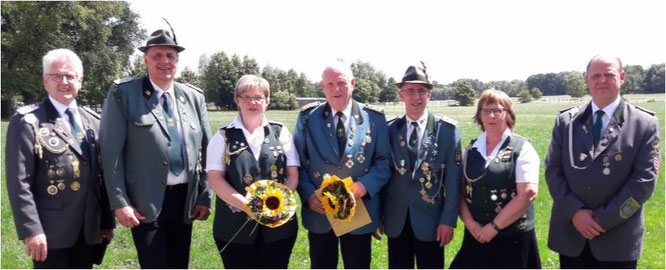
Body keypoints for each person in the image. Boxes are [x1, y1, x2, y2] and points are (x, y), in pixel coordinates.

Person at [99, 28, 212, 268]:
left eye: (170, 55)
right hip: (144, 199)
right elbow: (111, 154)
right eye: (157, 55)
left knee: (179, 263)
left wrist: (204, 196)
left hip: (185, 200)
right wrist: (120, 202)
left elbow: (206, 150)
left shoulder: (193, 96)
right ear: (146, 59)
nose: (165, 61)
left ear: (177, 61)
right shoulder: (124, 93)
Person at [545, 55, 660, 268]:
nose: (602, 81)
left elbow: (643, 182)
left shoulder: (644, 124)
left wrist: (602, 220)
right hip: (572, 236)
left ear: (622, 78)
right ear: (587, 80)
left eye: (609, 75)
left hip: (617, 239)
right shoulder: (566, 122)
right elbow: (553, 171)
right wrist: (575, 213)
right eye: (596, 75)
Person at [5, 48, 114, 268]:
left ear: (80, 81)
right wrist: (32, 230)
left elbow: (102, 177)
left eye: (70, 76)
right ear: (46, 81)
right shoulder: (28, 121)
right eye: (56, 76)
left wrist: (106, 222)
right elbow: (19, 183)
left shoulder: (93, 122)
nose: (64, 82)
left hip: (88, 229)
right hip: (50, 232)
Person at [293, 61, 391, 268]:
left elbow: (384, 162)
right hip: (320, 210)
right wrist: (309, 195)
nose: (335, 89)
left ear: (353, 84)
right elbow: (298, 163)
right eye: (329, 84)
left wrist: (366, 185)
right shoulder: (308, 117)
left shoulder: (374, 118)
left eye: (341, 83)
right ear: (322, 87)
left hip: (359, 210)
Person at [205, 74, 300, 268]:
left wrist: (279, 206)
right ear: (237, 100)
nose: (253, 102)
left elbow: (293, 175)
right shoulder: (223, 136)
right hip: (233, 228)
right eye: (246, 97)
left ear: (267, 101)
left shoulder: (280, 132)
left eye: (258, 97)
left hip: (279, 228)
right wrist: (252, 208)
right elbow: (215, 180)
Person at [379, 63, 462, 268]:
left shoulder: (447, 131)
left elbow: (453, 182)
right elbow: (382, 174)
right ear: (401, 95)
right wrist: (378, 215)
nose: (416, 97)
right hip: (396, 219)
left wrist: (448, 221)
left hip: (431, 221)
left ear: (429, 95)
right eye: (410, 91)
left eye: (422, 91)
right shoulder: (389, 129)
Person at [450, 89, 541, 268]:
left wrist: (493, 227)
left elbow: (528, 193)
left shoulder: (522, 147)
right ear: (480, 116)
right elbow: (459, 191)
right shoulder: (471, 149)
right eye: (486, 110)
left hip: (513, 239)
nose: (492, 115)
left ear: (508, 115)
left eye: (498, 110)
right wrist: (471, 225)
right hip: (476, 235)